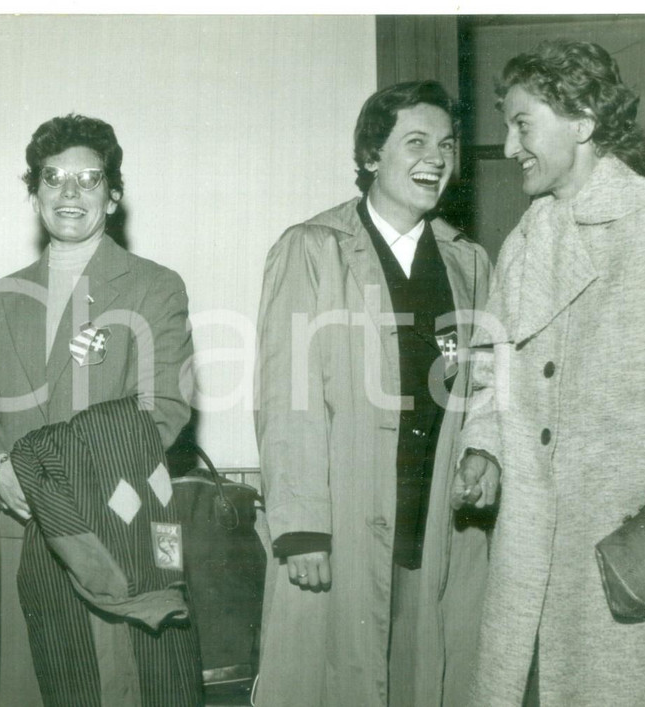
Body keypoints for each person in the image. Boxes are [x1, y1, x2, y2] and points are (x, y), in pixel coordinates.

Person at [453, 39, 645, 706]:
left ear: (584, 119)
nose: (508, 147)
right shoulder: (525, 240)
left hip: (631, 555)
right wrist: (485, 445)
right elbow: (492, 362)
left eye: (522, 123)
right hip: (531, 548)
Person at [254, 80, 492, 706]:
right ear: (369, 157)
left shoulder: (470, 263)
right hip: (344, 517)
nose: (435, 158)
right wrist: (303, 528)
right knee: (340, 681)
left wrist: (485, 455)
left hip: (438, 516)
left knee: (430, 679)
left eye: (446, 144)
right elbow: (288, 396)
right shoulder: (313, 249)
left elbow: (488, 385)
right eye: (414, 142)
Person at [0, 114, 200, 706]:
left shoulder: (155, 286)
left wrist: (59, 480)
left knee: (127, 688)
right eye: (53, 179)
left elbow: (165, 409)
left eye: (88, 179)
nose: (69, 193)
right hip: (18, 527)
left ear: (114, 194)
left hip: (118, 524)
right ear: (34, 193)